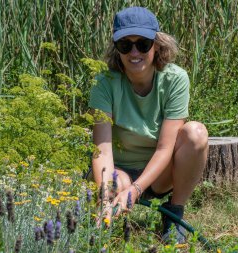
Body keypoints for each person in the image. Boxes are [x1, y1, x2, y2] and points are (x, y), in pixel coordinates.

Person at [86, 6, 208, 244]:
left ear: (157, 45)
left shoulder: (175, 79)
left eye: (142, 44)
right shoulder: (103, 83)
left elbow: (165, 148)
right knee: (115, 182)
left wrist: (137, 190)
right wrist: (104, 195)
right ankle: (108, 218)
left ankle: (174, 214)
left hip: (160, 174)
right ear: (116, 48)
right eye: (125, 45)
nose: (134, 52)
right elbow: (102, 148)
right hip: (119, 169)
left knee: (196, 132)